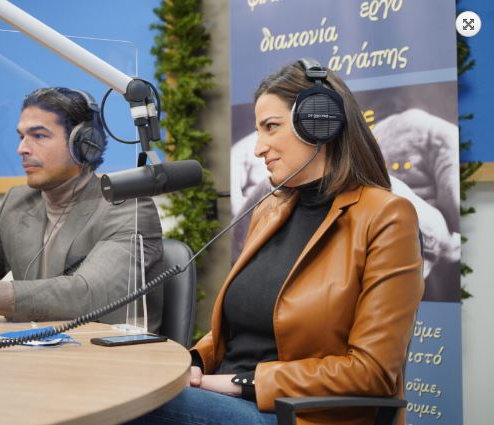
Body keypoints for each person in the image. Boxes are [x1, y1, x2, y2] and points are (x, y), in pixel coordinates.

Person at [129, 59, 423, 425]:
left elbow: (372, 372)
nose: (258, 148)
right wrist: (191, 363)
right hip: (223, 396)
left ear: (320, 123)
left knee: (135, 405)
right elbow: (235, 333)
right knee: (124, 386)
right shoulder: (269, 210)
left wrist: (240, 383)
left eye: (271, 127)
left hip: (298, 414)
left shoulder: (386, 216)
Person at [0, 87, 164, 331]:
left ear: (84, 144)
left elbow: (86, 294)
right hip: (37, 354)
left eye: (38, 136)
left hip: (111, 358)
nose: (21, 149)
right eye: (21, 136)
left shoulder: (128, 206)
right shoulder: (18, 201)